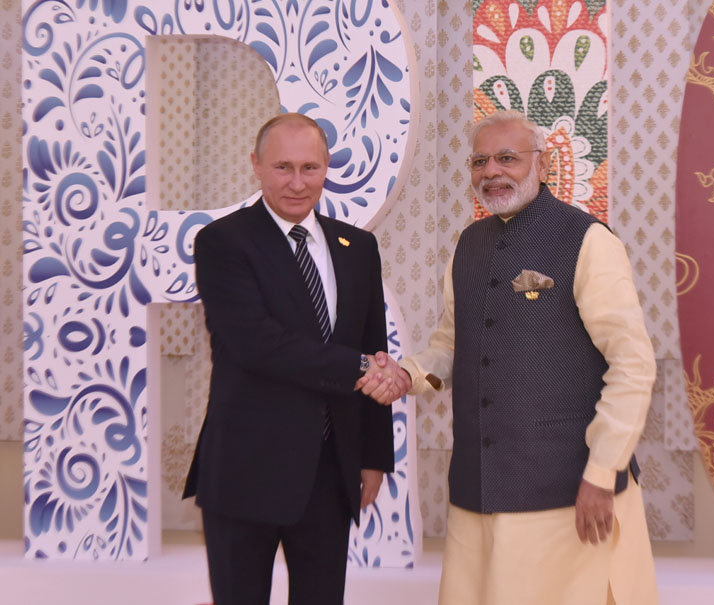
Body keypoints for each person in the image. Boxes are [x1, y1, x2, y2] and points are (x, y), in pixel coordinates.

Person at [359, 110, 659, 604]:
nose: (491, 171)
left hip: (568, 495)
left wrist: (602, 474)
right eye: (480, 161)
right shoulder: (469, 244)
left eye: (507, 158)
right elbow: (450, 348)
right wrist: (404, 376)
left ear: (543, 166)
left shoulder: (588, 240)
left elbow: (633, 365)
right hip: (477, 492)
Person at [183, 113, 409, 605]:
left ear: (328, 168)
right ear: (256, 166)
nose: (297, 182)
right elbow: (256, 342)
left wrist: (373, 457)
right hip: (245, 470)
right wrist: (363, 370)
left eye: (310, 167)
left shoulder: (358, 247)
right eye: (283, 167)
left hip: (330, 473)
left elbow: (374, 347)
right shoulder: (222, 242)